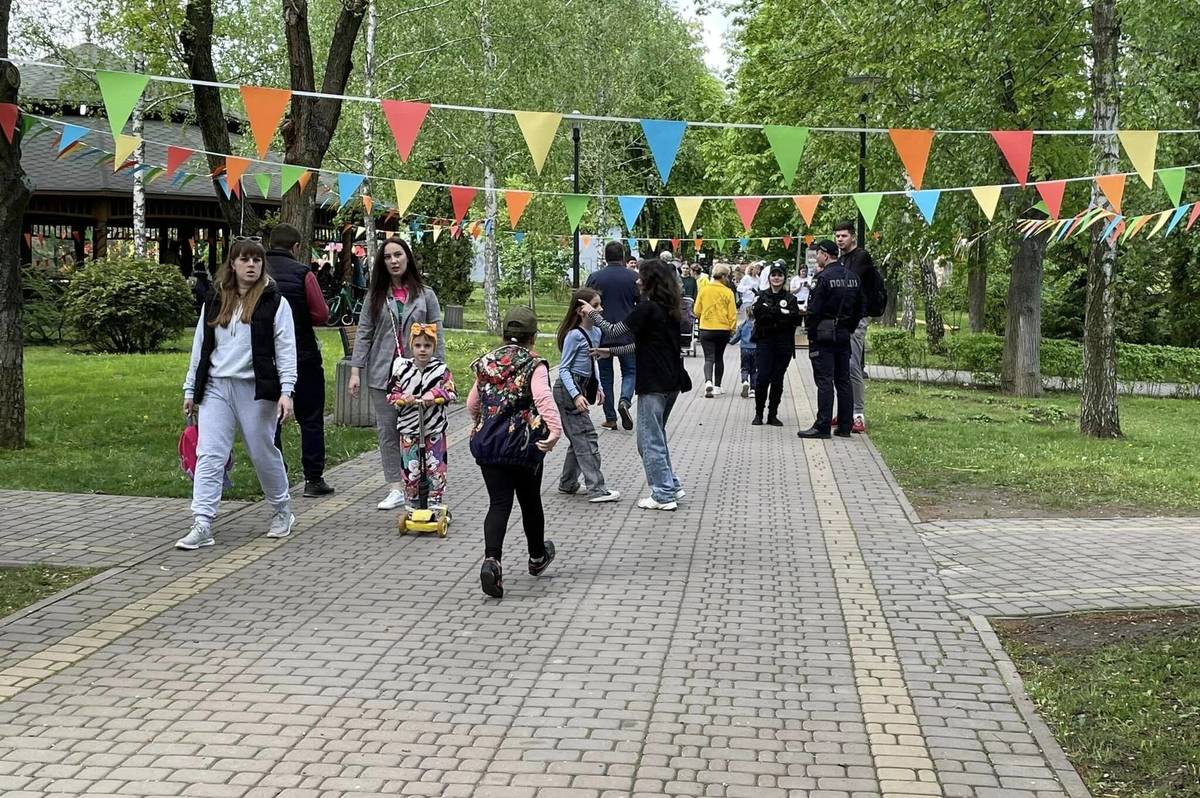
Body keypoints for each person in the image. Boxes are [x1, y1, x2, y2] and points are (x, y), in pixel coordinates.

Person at [178, 239, 297, 550]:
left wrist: (287, 391)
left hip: (256, 391)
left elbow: (286, 350)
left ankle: (282, 509)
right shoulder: (215, 299)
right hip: (216, 387)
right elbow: (200, 346)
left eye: (257, 260)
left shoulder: (274, 301)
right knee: (210, 453)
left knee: (262, 451)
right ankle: (202, 521)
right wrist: (191, 387)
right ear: (233, 264)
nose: (252, 265)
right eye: (245, 260)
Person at [467, 307, 562, 598]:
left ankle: (491, 560)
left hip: (489, 446)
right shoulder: (534, 364)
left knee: (498, 503)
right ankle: (536, 556)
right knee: (530, 501)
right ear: (533, 337)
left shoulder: (487, 362)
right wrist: (555, 430)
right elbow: (543, 397)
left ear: (503, 334)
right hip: (524, 445)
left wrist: (479, 424)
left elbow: (473, 402)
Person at [583, 259, 688, 511]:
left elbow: (615, 328)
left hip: (654, 382)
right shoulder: (670, 308)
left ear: (650, 281)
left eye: (641, 277)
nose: (637, 281)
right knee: (656, 436)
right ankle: (671, 484)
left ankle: (662, 494)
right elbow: (642, 345)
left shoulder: (647, 308)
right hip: (672, 380)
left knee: (648, 441)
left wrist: (593, 313)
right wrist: (610, 352)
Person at [348, 237, 445, 510]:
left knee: (421, 431)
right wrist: (356, 371)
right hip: (383, 375)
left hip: (419, 373)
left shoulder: (426, 295)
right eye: (388, 257)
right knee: (388, 431)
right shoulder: (376, 296)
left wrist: (439, 373)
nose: (393, 261)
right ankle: (395, 487)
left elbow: (438, 335)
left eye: (398, 255)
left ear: (407, 258)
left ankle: (422, 485)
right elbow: (364, 334)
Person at [265, 223, 334, 497]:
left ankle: (275, 475)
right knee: (311, 417)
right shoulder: (304, 274)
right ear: (296, 247)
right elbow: (321, 314)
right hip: (302, 353)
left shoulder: (259, 270)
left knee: (269, 420)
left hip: (265, 357)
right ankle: (313, 479)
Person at [553, 288, 620, 503]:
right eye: (596, 305)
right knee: (587, 437)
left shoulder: (596, 333)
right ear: (582, 310)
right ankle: (597, 488)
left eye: (600, 304)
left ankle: (568, 483)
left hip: (581, 386)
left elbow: (593, 362)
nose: (600, 309)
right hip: (568, 389)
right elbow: (563, 369)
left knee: (577, 438)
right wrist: (575, 395)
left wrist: (597, 387)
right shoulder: (574, 336)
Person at [385, 324, 457, 510]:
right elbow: (391, 393)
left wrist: (435, 395)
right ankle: (413, 498)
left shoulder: (441, 370)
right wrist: (402, 398)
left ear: (433, 347)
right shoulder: (403, 369)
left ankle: (434, 499)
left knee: (436, 465)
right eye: (418, 345)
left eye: (427, 345)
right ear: (412, 347)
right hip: (409, 428)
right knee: (411, 466)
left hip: (433, 427)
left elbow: (451, 391)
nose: (422, 350)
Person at [799, 240, 865, 439]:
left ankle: (822, 425)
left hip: (823, 335)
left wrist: (811, 332)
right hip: (844, 334)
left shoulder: (823, 278)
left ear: (825, 255)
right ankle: (845, 426)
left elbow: (814, 310)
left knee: (825, 381)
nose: (816, 257)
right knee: (843, 380)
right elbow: (860, 308)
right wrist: (848, 326)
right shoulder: (853, 277)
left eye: (817, 253)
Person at [834, 220, 886, 434]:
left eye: (844, 235)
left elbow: (849, 282)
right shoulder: (842, 258)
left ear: (853, 237)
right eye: (837, 236)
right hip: (842, 318)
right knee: (841, 366)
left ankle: (858, 414)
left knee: (853, 366)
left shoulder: (860, 257)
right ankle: (845, 411)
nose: (840, 239)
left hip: (857, 318)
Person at [585, 241, 639, 432]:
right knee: (630, 371)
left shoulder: (595, 277)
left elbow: (587, 303)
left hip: (601, 332)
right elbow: (641, 305)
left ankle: (610, 418)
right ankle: (625, 401)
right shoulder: (634, 277)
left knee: (605, 376)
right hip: (628, 332)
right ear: (623, 256)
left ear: (606, 257)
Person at [749, 262, 801, 426]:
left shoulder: (790, 298)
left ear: (784, 277)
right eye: (773, 275)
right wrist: (779, 313)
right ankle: (759, 414)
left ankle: (773, 414)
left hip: (783, 344)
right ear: (769, 277)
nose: (776, 278)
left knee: (777, 379)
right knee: (762, 378)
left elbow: (794, 319)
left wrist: (774, 313)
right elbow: (759, 315)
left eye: (779, 275)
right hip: (765, 342)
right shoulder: (762, 295)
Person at [693, 262, 737, 397]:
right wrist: (733, 329)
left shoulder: (703, 290)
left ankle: (708, 382)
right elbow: (732, 313)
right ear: (723, 276)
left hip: (706, 328)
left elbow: (696, 310)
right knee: (719, 357)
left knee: (708, 358)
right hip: (723, 329)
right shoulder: (728, 292)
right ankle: (717, 386)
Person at [730, 314, 756, 398]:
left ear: (747, 315)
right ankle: (753, 390)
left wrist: (730, 341)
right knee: (754, 370)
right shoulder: (758, 325)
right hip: (756, 349)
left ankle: (745, 381)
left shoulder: (742, 325)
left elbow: (735, 339)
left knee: (744, 368)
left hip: (744, 349)